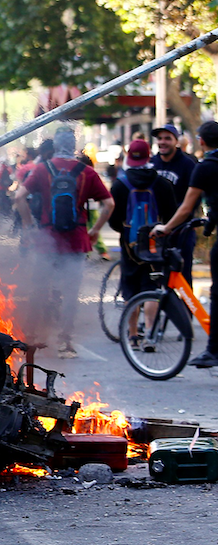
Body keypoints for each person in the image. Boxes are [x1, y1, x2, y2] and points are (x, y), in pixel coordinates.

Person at [14, 126, 114, 358]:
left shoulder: (42, 169)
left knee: (39, 289)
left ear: (56, 145)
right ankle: (65, 342)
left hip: (47, 240)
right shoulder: (86, 171)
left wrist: (30, 229)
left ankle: (31, 337)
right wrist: (96, 230)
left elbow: (19, 197)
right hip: (77, 241)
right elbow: (109, 204)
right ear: (74, 144)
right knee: (71, 293)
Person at [150, 120, 218, 367]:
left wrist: (166, 227)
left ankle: (213, 350)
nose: (163, 142)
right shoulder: (154, 163)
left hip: (177, 228)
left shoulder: (200, 166)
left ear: (200, 141)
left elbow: (187, 206)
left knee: (215, 292)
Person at [108, 138, 179, 348]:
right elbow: (171, 215)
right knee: (151, 286)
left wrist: (125, 232)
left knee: (131, 291)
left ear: (129, 156)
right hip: (154, 244)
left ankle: (133, 336)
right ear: (149, 156)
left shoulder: (120, 184)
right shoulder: (162, 183)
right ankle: (150, 333)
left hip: (130, 246)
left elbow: (114, 219)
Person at [150, 124, 199, 283]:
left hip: (181, 230)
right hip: (156, 229)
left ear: (176, 141)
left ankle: (185, 308)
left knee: (183, 275)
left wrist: (175, 221)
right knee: (156, 277)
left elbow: (194, 199)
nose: (163, 142)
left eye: (167, 138)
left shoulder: (188, 164)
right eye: (160, 138)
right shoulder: (152, 163)